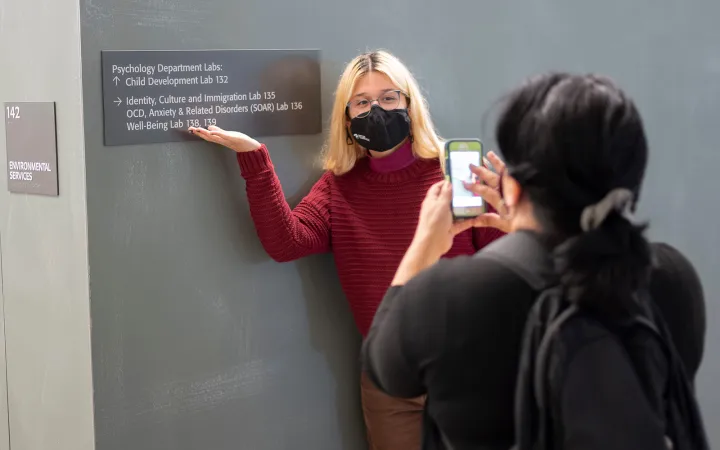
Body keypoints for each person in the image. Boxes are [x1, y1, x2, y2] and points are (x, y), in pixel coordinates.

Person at [362, 73, 707, 450]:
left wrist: (424, 244)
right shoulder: (673, 277)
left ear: (512, 185)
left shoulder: (450, 296)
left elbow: (384, 371)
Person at [189, 50, 505, 450]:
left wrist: (514, 215)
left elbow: (508, 266)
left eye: (390, 98)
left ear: (410, 104)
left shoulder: (455, 173)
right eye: (363, 102)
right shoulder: (339, 187)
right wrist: (254, 157)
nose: (378, 110)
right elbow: (287, 242)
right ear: (347, 117)